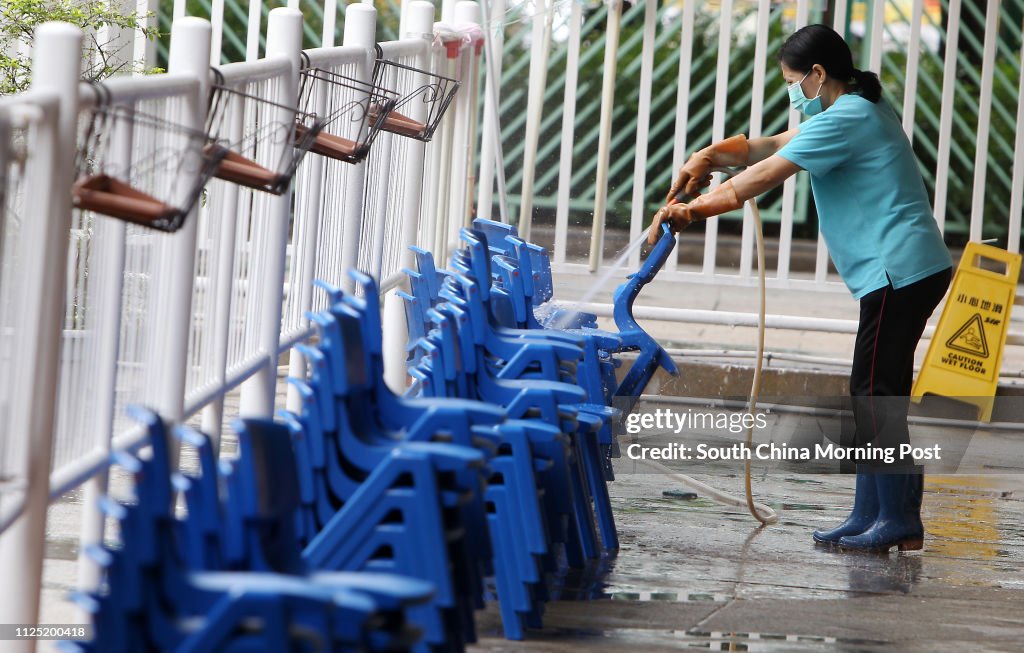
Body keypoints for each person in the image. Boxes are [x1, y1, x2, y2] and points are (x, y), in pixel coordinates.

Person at [650, 24, 953, 553]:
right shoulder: (850, 109)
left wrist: (691, 209)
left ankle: (898, 517)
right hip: (900, 271)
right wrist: (707, 156)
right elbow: (765, 147)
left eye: (793, 81)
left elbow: (766, 173)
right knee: (872, 391)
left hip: (898, 272)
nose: (791, 93)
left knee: (877, 395)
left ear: (817, 74)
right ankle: (870, 512)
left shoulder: (852, 116)